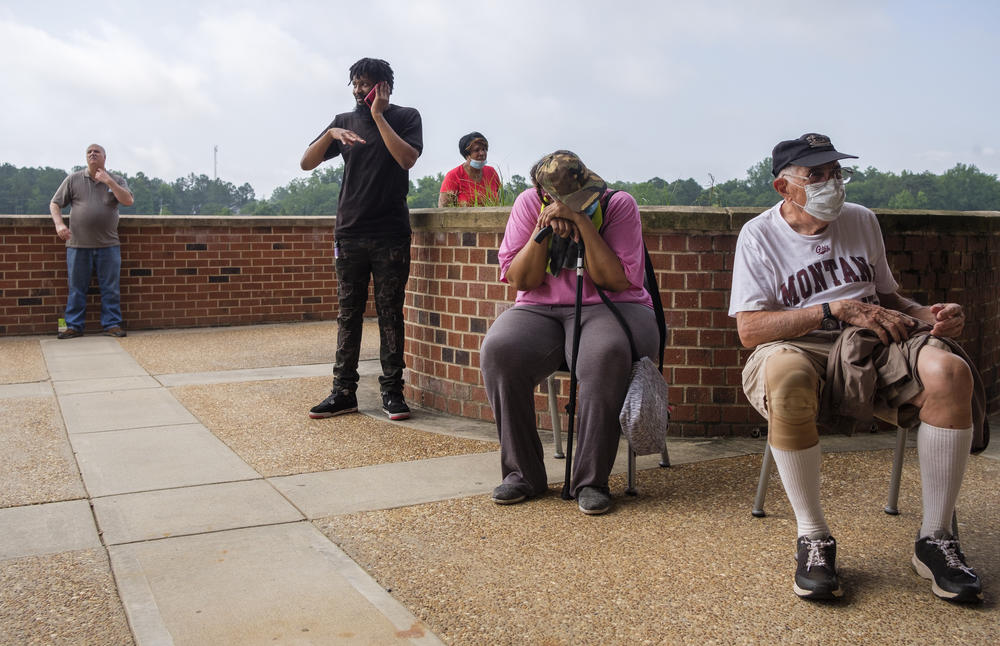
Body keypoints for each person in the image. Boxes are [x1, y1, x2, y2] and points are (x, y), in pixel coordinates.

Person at [729, 133, 987, 603]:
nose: (833, 183)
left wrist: (932, 314)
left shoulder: (862, 220)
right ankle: (813, 539)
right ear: (783, 188)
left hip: (873, 337)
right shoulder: (759, 235)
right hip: (797, 342)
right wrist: (833, 310)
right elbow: (750, 330)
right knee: (786, 380)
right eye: (817, 175)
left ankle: (936, 539)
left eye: (837, 172)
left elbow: (888, 299)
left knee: (951, 374)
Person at [479, 150, 658, 515]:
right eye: (564, 201)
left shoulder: (619, 204)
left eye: (581, 198)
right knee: (499, 349)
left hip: (612, 305)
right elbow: (521, 280)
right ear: (543, 194)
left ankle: (590, 480)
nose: (573, 205)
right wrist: (541, 229)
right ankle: (521, 474)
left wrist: (583, 223)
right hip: (540, 308)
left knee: (604, 353)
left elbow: (616, 280)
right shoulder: (529, 203)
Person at [300, 57, 422, 421]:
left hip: (391, 235)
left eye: (366, 84)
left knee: (389, 314)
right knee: (348, 315)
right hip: (350, 233)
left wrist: (380, 116)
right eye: (355, 83)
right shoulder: (343, 122)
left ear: (384, 87)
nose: (358, 90)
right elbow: (306, 163)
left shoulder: (406, 117)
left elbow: (407, 159)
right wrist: (330, 135)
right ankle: (343, 392)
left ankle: (392, 392)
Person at [50, 144, 134, 339]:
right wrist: (59, 224)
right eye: (89, 152)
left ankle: (112, 325)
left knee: (110, 288)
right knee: (76, 288)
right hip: (78, 245)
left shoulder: (117, 179)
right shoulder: (73, 179)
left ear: (105, 157)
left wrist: (110, 182)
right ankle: (73, 326)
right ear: (86, 158)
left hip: (109, 245)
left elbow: (128, 201)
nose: (93, 154)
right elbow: (55, 203)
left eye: (97, 152)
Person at [438, 132, 501, 207]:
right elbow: (443, 207)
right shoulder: (453, 176)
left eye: (484, 149)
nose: (482, 153)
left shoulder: (492, 172)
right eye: (476, 150)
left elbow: (499, 199)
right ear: (467, 155)